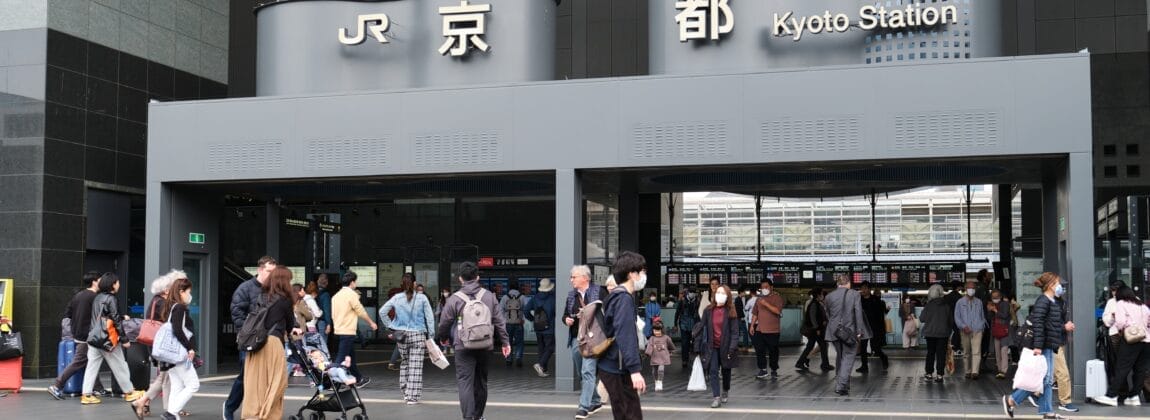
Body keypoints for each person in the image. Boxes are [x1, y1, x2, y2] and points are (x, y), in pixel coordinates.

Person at [436, 261, 511, 420]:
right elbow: (499, 321)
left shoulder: (454, 299)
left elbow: (444, 323)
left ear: (460, 279)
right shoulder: (489, 296)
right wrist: (505, 342)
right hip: (485, 345)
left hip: (463, 345)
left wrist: (443, 338)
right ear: (477, 277)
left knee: (465, 383)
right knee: (481, 382)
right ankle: (479, 416)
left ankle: (468, 417)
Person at [1002, 272, 1075, 420]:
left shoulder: (1052, 300)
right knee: (1043, 379)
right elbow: (1039, 325)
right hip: (1042, 345)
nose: (1059, 286)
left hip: (1048, 344)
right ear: (1050, 286)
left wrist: (1061, 329)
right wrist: (1038, 346)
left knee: (1046, 379)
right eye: (1057, 283)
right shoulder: (1044, 301)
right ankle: (1012, 400)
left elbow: (1050, 324)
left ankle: (1046, 411)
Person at [241, 266, 301, 420]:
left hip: (255, 343)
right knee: (277, 381)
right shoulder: (285, 300)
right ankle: (268, 415)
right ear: (285, 281)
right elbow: (289, 324)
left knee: (255, 382)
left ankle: (252, 414)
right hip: (273, 343)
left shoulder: (262, 296)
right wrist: (294, 329)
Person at [223, 256, 277, 420]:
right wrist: (247, 332)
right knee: (246, 376)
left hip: (269, 339)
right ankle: (230, 406)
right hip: (249, 340)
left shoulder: (274, 289)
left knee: (266, 378)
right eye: (269, 271)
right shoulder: (245, 288)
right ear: (260, 269)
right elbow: (237, 312)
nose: (272, 275)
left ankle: (258, 411)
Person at [81, 273, 145, 404]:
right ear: (113, 284)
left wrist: (121, 317)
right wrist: (124, 339)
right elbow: (115, 320)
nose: (119, 285)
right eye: (117, 282)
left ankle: (86, 395)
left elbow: (104, 317)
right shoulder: (111, 299)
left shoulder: (97, 297)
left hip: (94, 338)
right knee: (120, 364)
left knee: (91, 367)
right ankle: (130, 392)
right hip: (107, 340)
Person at [598, 251, 647, 420]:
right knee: (630, 414)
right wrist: (635, 370)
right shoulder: (623, 299)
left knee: (623, 413)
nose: (644, 275)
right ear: (632, 274)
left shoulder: (615, 296)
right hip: (617, 367)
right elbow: (624, 334)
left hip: (612, 365)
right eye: (642, 271)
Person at [48, 271, 107, 400]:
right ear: (95, 281)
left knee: (91, 360)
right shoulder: (95, 297)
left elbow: (67, 313)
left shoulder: (78, 296)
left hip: (78, 333)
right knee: (79, 361)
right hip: (89, 335)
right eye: (101, 280)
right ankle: (57, 385)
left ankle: (98, 388)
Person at [379, 273, 436, 404]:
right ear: (414, 284)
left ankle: (405, 392)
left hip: (401, 335)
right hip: (418, 334)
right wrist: (431, 335)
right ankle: (412, 397)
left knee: (405, 362)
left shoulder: (396, 298)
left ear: (402, 284)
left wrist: (392, 327)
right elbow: (430, 318)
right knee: (416, 366)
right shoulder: (422, 298)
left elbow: (382, 311)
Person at [133, 270, 183, 417]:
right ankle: (169, 410)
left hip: (156, 344)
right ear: (166, 290)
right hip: (162, 346)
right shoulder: (162, 303)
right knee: (166, 378)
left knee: (163, 377)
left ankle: (144, 402)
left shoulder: (156, 300)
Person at [562, 265, 607, 419]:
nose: (571, 280)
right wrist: (566, 320)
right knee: (581, 372)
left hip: (594, 338)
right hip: (577, 338)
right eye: (571, 277)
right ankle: (595, 400)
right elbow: (565, 315)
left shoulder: (600, 292)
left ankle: (583, 407)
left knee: (587, 371)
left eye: (574, 277)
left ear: (585, 278)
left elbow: (608, 314)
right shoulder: (571, 296)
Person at [1094, 285, 1149, 407]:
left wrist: (1124, 329)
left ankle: (1112, 396)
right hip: (1146, 340)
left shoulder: (1121, 304)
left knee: (1121, 368)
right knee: (1140, 370)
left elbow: (1120, 322)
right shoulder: (1142, 305)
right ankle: (1134, 396)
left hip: (1131, 340)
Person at [160, 276, 199, 420]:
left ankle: (172, 414)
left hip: (170, 354)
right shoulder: (180, 307)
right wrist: (190, 348)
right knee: (193, 384)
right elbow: (178, 330)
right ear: (182, 291)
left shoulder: (171, 306)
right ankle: (171, 412)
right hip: (179, 353)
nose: (190, 294)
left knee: (177, 385)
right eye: (189, 291)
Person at [824, 273, 869, 396]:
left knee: (841, 356)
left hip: (833, 331)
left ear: (837, 284)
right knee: (849, 356)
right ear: (848, 283)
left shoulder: (829, 296)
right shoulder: (854, 294)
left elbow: (827, 313)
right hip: (849, 331)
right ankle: (841, 385)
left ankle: (844, 384)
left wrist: (834, 323)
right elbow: (858, 313)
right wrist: (859, 331)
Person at [332, 271, 379, 387]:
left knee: (350, 356)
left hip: (338, 330)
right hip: (347, 331)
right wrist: (371, 322)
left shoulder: (336, 296)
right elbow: (360, 311)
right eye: (355, 281)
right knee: (340, 359)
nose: (356, 283)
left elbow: (333, 314)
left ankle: (359, 379)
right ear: (352, 282)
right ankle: (331, 381)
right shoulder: (351, 295)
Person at [698, 285, 741, 408]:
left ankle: (725, 390)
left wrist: (732, 348)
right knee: (713, 371)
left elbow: (734, 332)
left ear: (727, 296)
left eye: (723, 293)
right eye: (718, 292)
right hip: (713, 346)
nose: (719, 295)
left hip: (726, 347)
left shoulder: (731, 311)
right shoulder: (708, 310)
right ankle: (716, 397)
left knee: (726, 371)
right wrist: (695, 334)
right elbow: (702, 325)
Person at [524, 278, 557, 378]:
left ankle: (542, 370)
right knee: (550, 347)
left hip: (538, 327)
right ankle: (541, 364)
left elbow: (526, 310)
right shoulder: (553, 298)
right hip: (549, 327)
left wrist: (532, 319)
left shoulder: (535, 298)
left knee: (541, 348)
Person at [750, 278, 783, 379]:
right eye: (762, 287)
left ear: (771, 287)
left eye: (766, 287)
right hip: (760, 329)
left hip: (773, 330)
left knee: (773, 351)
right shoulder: (758, 299)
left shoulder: (777, 298)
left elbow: (777, 311)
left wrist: (766, 304)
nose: (764, 289)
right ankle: (763, 370)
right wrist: (752, 325)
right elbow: (755, 313)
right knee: (760, 350)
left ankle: (774, 369)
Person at [920, 284, 953, 383]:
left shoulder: (928, 305)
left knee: (930, 353)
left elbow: (922, 319)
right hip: (943, 334)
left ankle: (929, 374)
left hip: (930, 334)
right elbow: (951, 321)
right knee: (941, 354)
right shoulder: (947, 306)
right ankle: (940, 375)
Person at [954, 280, 986, 379]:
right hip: (964, 330)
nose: (971, 290)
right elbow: (957, 317)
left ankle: (975, 372)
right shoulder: (960, 302)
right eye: (969, 288)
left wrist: (982, 327)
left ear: (975, 289)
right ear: (965, 289)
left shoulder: (979, 302)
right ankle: (967, 371)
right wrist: (963, 326)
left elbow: (982, 315)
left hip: (977, 330)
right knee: (966, 352)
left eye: (973, 288)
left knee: (976, 351)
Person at [796, 287, 832, 372]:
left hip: (816, 330)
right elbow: (813, 318)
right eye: (822, 294)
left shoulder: (817, 303)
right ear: (818, 295)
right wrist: (817, 328)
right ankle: (824, 365)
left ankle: (802, 362)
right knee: (819, 346)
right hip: (815, 330)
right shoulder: (814, 304)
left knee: (818, 346)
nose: (823, 296)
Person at [858, 281, 890, 373]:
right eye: (861, 288)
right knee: (863, 348)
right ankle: (864, 366)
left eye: (864, 288)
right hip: (863, 327)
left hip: (875, 328)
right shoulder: (859, 300)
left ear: (869, 289)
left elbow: (881, 315)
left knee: (875, 348)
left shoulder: (876, 300)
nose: (862, 290)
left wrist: (881, 330)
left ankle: (884, 358)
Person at [1102, 280, 1127, 390]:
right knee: (1118, 363)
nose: (1114, 293)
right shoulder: (1111, 302)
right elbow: (1107, 322)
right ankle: (1122, 390)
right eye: (1112, 291)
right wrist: (1113, 316)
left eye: (1116, 290)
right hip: (1115, 335)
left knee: (1133, 363)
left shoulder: (1133, 301)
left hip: (1132, 335)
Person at [290, 283, 316, 376]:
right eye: (302, 290)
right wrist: (308, 311)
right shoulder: (300, 302)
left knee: (292, 354)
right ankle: (312, 375)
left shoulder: (288, 302)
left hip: (290, 333)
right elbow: (309, 316)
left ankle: (298, 370)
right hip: (299, 333)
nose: (304, 292)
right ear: (299, 292)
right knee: (302, 355)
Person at [499, 281, 527, 367]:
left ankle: (509, 359)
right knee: (519, 342)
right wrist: (523, 319)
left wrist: (504, 320)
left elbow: (500, 310)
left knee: (508, 342)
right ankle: (518, 357)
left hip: (508, 323)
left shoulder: (504, 297)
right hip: (519, 323)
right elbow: (526, 309)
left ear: (509, 287)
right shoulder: (522, 297)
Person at [988, 290, 1013, 379]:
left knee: (1004, 350)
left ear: (1000, 296)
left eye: (996, 297)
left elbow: (1005, 315)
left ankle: (1003, 370)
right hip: (996, 330)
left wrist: (995, 310)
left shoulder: (1005, 304)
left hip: (1004, 330)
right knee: (997, 351)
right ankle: (999, 369)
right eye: (993, 297)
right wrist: (990, 310)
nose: (995, 299)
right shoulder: (992, 304)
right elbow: (990, 317)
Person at [674, 287, 701, 369]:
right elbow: (677, 313)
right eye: (691, 292)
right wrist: (675, 324)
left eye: (693, 292)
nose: (692, 294)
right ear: (688, 293)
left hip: (694, 325)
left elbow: (699, 313)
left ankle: (693, 359)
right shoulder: (682, 301)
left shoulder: (697, 302)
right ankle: (684, 360)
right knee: (684, 343)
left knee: (694, 343)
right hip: (684, 325)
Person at [644, 322, 675, 392]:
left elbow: (671, 345)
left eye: (658, 330)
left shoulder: (666, 338)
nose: (656, 332)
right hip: (654, 357)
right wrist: (648, 353)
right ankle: (656, 381)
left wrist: (671, 351)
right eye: (655, 331)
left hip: (663, 357)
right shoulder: (652, 338)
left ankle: (660, 382)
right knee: (654, 371)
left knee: (661, 369)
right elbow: (650, 346)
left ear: (662, 330)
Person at [943, 281, 963, 355]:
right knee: (957, 332)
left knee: (948, 333)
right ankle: (955, 349)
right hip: (956, 317)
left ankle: (947, 348)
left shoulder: (947, 296)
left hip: (947, 317)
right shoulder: (959, 297)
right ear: (958, 287)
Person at [435, 287, 455, 357]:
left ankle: (452, 347)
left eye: (446, 291)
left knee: (451, 334)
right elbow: (438, 311)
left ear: (449, 292)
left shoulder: (452, 300)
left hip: (451, 320)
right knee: (444, 335)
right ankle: (445, 348)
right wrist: (435, 314)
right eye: (444, 292)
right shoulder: (441, 301)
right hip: (443, 320)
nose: (445, 293)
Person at [739, 287, 756, 353]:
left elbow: (745, 308)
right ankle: (756, 346)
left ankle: (755, 347)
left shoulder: (750, 301)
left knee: (751, 333)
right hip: (758, 320)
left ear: (751, 293)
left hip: (751, 320)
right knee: (757, 334)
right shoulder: (759, 299)